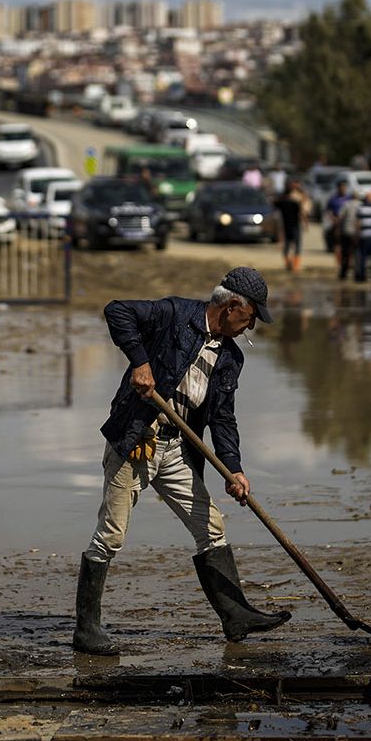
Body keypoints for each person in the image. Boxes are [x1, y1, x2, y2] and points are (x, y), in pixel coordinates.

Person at [74, 269, 292, 655]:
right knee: (112, 535)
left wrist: (233, 468)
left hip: (176, 450)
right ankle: (86, 630)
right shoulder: (175, 314)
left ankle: (236, 615)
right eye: (251, 317)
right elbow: (116, 310)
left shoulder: (230, 357)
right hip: (136, 442)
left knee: (210, 527)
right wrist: (140, 363)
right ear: (230, 307)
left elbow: (222, 417)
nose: (252, 326)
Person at [276, 183, 307, 272]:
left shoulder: (282, 202)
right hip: (295, 227)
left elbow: (275, 203)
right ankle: (295, 266)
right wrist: (305, 223)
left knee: (287, 246)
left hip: (286, 227)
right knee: (297, 246)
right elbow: (301, 213)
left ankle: (288, 264)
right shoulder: (295, 203)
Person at [328, 184, 355, 281]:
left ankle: (349, 263)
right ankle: (339, 262)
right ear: (338, 188)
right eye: (341, 187)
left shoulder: (349, 198)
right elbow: (328, 211)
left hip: (348, 226)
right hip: (337, 224)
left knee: (349, 247)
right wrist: (333, 219)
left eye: (344, 188)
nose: (343, 189)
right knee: (337, 244)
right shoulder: (333, 199)